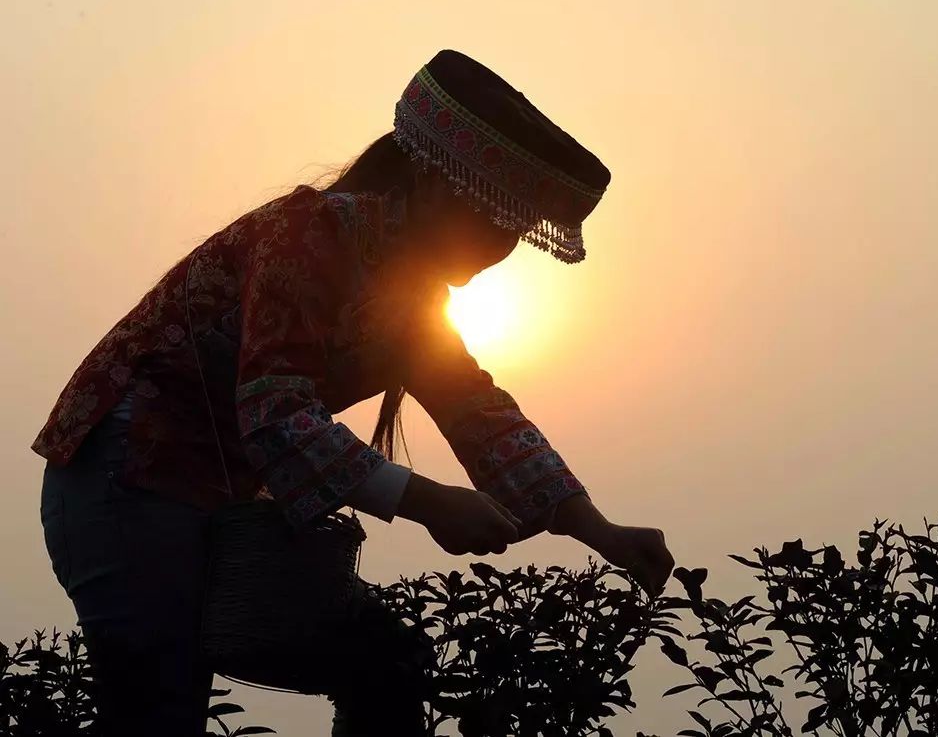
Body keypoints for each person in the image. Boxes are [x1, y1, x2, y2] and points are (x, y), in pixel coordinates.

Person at [33, 49, 675, 736]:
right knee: (158, 712)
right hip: (125, 471)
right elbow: (277, 414)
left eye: (512, 231)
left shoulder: (412, 295)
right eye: (490, 218)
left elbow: (479, 411)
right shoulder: (307, 233)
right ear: (435, 182)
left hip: (224, 493)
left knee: (387, 662)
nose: (498, 250)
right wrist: (428, 502)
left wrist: (597, 528)